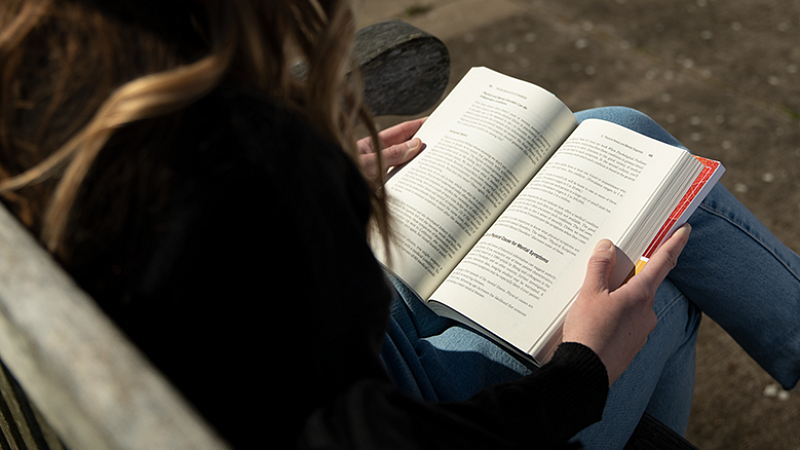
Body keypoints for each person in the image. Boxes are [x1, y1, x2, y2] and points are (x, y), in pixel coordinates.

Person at [0, 1, 797, 450]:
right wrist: (583, 369)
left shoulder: (49, 85)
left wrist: (325, 183)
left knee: (626, 141)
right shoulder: (245, 154)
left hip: (306, 366)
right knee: (660, 255)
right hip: (404, 407)